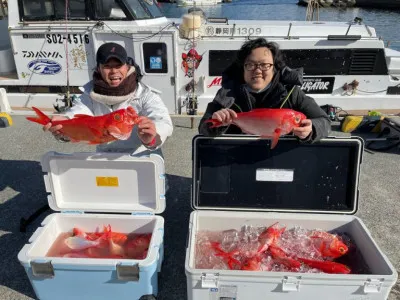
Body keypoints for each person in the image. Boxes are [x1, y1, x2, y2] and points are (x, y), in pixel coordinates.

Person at [43, 42, 173, 157]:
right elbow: (78, 112)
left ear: (127, 67)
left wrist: (151, 138)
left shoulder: (145, 94)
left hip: (142, 158)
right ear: (98, 69)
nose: (114, 71)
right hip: (104, 158)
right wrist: (65, 124)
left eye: (118, 65)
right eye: (107, 66)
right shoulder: (90, 94)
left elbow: (162, 120)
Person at [198, 38, 331, 142]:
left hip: (280, 158)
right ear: (242, 68)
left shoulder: (292, 93)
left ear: (274, 68)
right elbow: (204, 128)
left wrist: (311, 130)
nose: (257, 71)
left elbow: (325, 121)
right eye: (250, 65)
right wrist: (217, 122)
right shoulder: (227, 95)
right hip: (236, 158)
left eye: (265, 65)